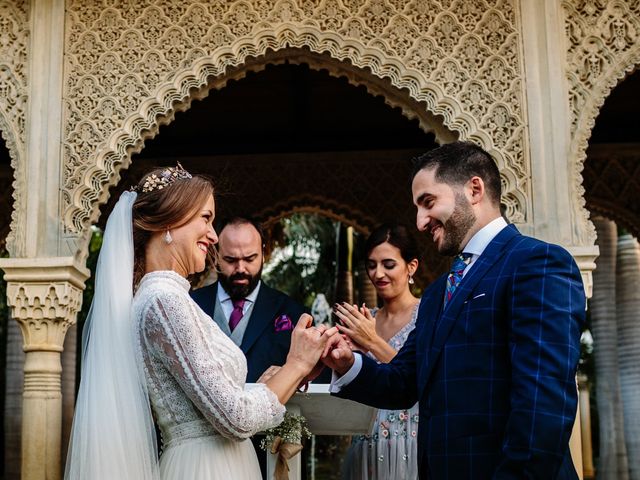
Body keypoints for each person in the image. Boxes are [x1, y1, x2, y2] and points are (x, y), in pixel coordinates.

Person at [323, 141, 585, 479]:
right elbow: (404, 380)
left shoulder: (538, 263)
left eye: (428, 202)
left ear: (474, 189)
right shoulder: (436, 293)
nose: (420, 221)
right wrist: (346, 361)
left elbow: (543, 404)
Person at [65, 164, 336, 480]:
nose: (212, 234)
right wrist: (298, 364)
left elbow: (217, 405)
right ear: (169, 222)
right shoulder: (164, 302)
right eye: (206, 219)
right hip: (206, 468)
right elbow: (236, 419)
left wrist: (281, 377)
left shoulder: (162, 297)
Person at [336, 223, 421, 480]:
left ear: (411, 266)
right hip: (367, 441)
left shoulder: (428, 315)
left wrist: (372, 341)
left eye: (388, 264)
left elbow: (416, 380)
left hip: (411, 441)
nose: (378, 273)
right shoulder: (366, 319)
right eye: (371, 265)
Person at [190, 217, 307, 383]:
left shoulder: (294, 313)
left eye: (249, 259)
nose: (240, 269)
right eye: (230, 260)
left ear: (263, 254)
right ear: (215, 255)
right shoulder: (190, 304)